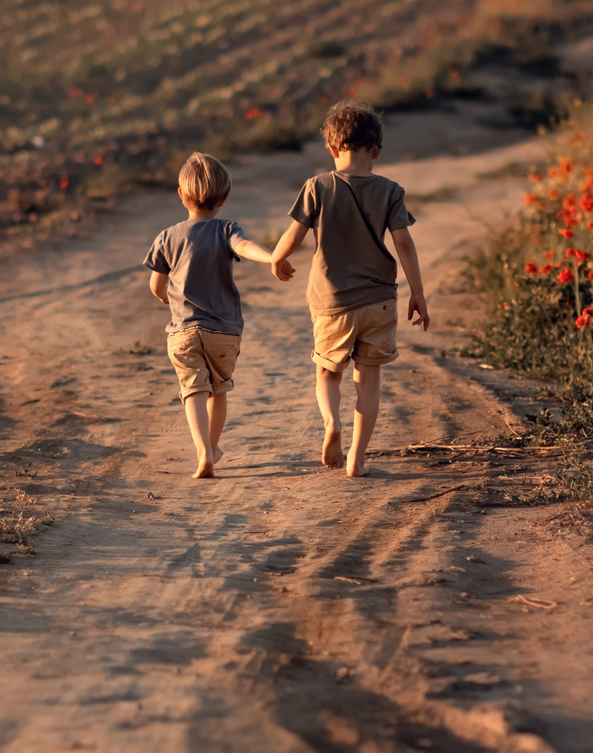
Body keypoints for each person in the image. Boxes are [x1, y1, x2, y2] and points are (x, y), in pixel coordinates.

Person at [267, 101, 427, 475]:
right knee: (369, 378)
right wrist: (417, 292)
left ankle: (332, 424)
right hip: (379, 300)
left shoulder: (317, 187)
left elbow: (294, 236)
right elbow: (404, 243)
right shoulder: (390, 191)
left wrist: (277, 258)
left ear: (332, 148)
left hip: (332, 302)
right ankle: (357, 458)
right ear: (376, 150)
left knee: (328, 372)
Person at [144, 152, 281, 479]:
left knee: (194, 390)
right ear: (224, 197)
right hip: (223, 332)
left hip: (183, 333)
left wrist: (164, 296)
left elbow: (155, 285)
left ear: (181, 194)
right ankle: (213, 448)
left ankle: (202, 450)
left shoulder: (167, 236)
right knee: (218, 391)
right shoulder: (227, 229)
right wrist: (273, 256)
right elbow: (245, 246)